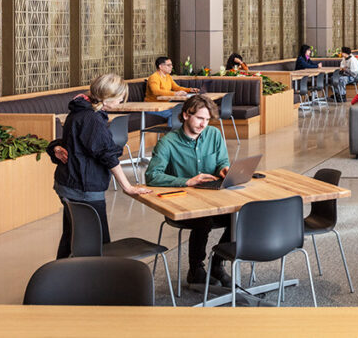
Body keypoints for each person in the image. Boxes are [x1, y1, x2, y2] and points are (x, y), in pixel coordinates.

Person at [47, 73, 152, 258]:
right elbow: (107, 155)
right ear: (107, 97)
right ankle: (97, 274)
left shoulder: (79, 109)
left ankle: (62, 272)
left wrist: (54, 146)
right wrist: (127, 187)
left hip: (68, 183)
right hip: (83, 187)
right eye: (120, 98)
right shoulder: (92, 118)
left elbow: (72, 141)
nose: (121, 101)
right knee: (99, 241)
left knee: (72, 236)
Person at [144, 95, 233, 288]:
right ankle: (196, 270)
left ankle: (217, 263)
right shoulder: (168, 143)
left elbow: (222, 161)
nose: (203, 124)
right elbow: (152, 176)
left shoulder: (214, 134)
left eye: (207, 119)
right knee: (203, 218)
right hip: (183, 204)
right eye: (199, 118)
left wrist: (223, 169)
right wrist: (187, 181)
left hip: (213, 198)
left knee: (240, 215)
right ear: (185, 115)